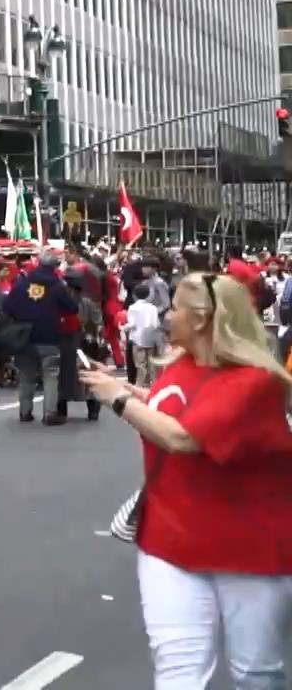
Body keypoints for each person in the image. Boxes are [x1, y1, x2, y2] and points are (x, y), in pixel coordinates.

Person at [78, 273, 292, 688]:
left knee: (255, 672)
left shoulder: (255, 384)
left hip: (249, 548)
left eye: (175, 306)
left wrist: (117, 398)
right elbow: (176, 407)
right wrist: (131, 390)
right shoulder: (182, 363)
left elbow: (183, 437)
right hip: (169, 542)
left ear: (201, 319)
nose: (165, 313)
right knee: (178, 670)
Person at [3, 254, 80, 425]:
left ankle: (25, 412)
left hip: (24, 337)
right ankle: (50, 413)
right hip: (49, 336)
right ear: (54, 268)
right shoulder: (58, 287)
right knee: (51, 375)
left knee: (26, 376)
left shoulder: (22, 284)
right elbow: (72, 308)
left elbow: (6, 306)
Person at [125, 284, 164, 389]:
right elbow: (156, 323)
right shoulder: (153, 308)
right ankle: (154, 385)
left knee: (140, 364)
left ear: (134, 295)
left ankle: (141, 385)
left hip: (138, 338)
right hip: (151, 338)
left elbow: (132, 324)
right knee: (152, 364)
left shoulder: (133, 308)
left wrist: (124, 327)